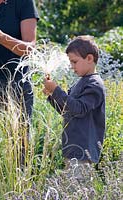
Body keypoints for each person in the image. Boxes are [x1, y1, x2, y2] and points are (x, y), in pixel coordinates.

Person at [43, 36, 106, 180]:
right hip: (73, 149)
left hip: (84, 151)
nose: (72, 66)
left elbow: (79, 109)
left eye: (74, 62)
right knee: (72, 190)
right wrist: (52, 95)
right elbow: (68, 111)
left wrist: (57, 89)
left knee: (78, 190)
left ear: (89, 58)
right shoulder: (82, 82)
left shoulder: (94, 85)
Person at [0, 0, 39, 165]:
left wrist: (2, 38)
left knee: (20, 143)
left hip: (17, 82)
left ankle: (19, 187)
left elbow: (30, 49)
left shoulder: (23, 2)